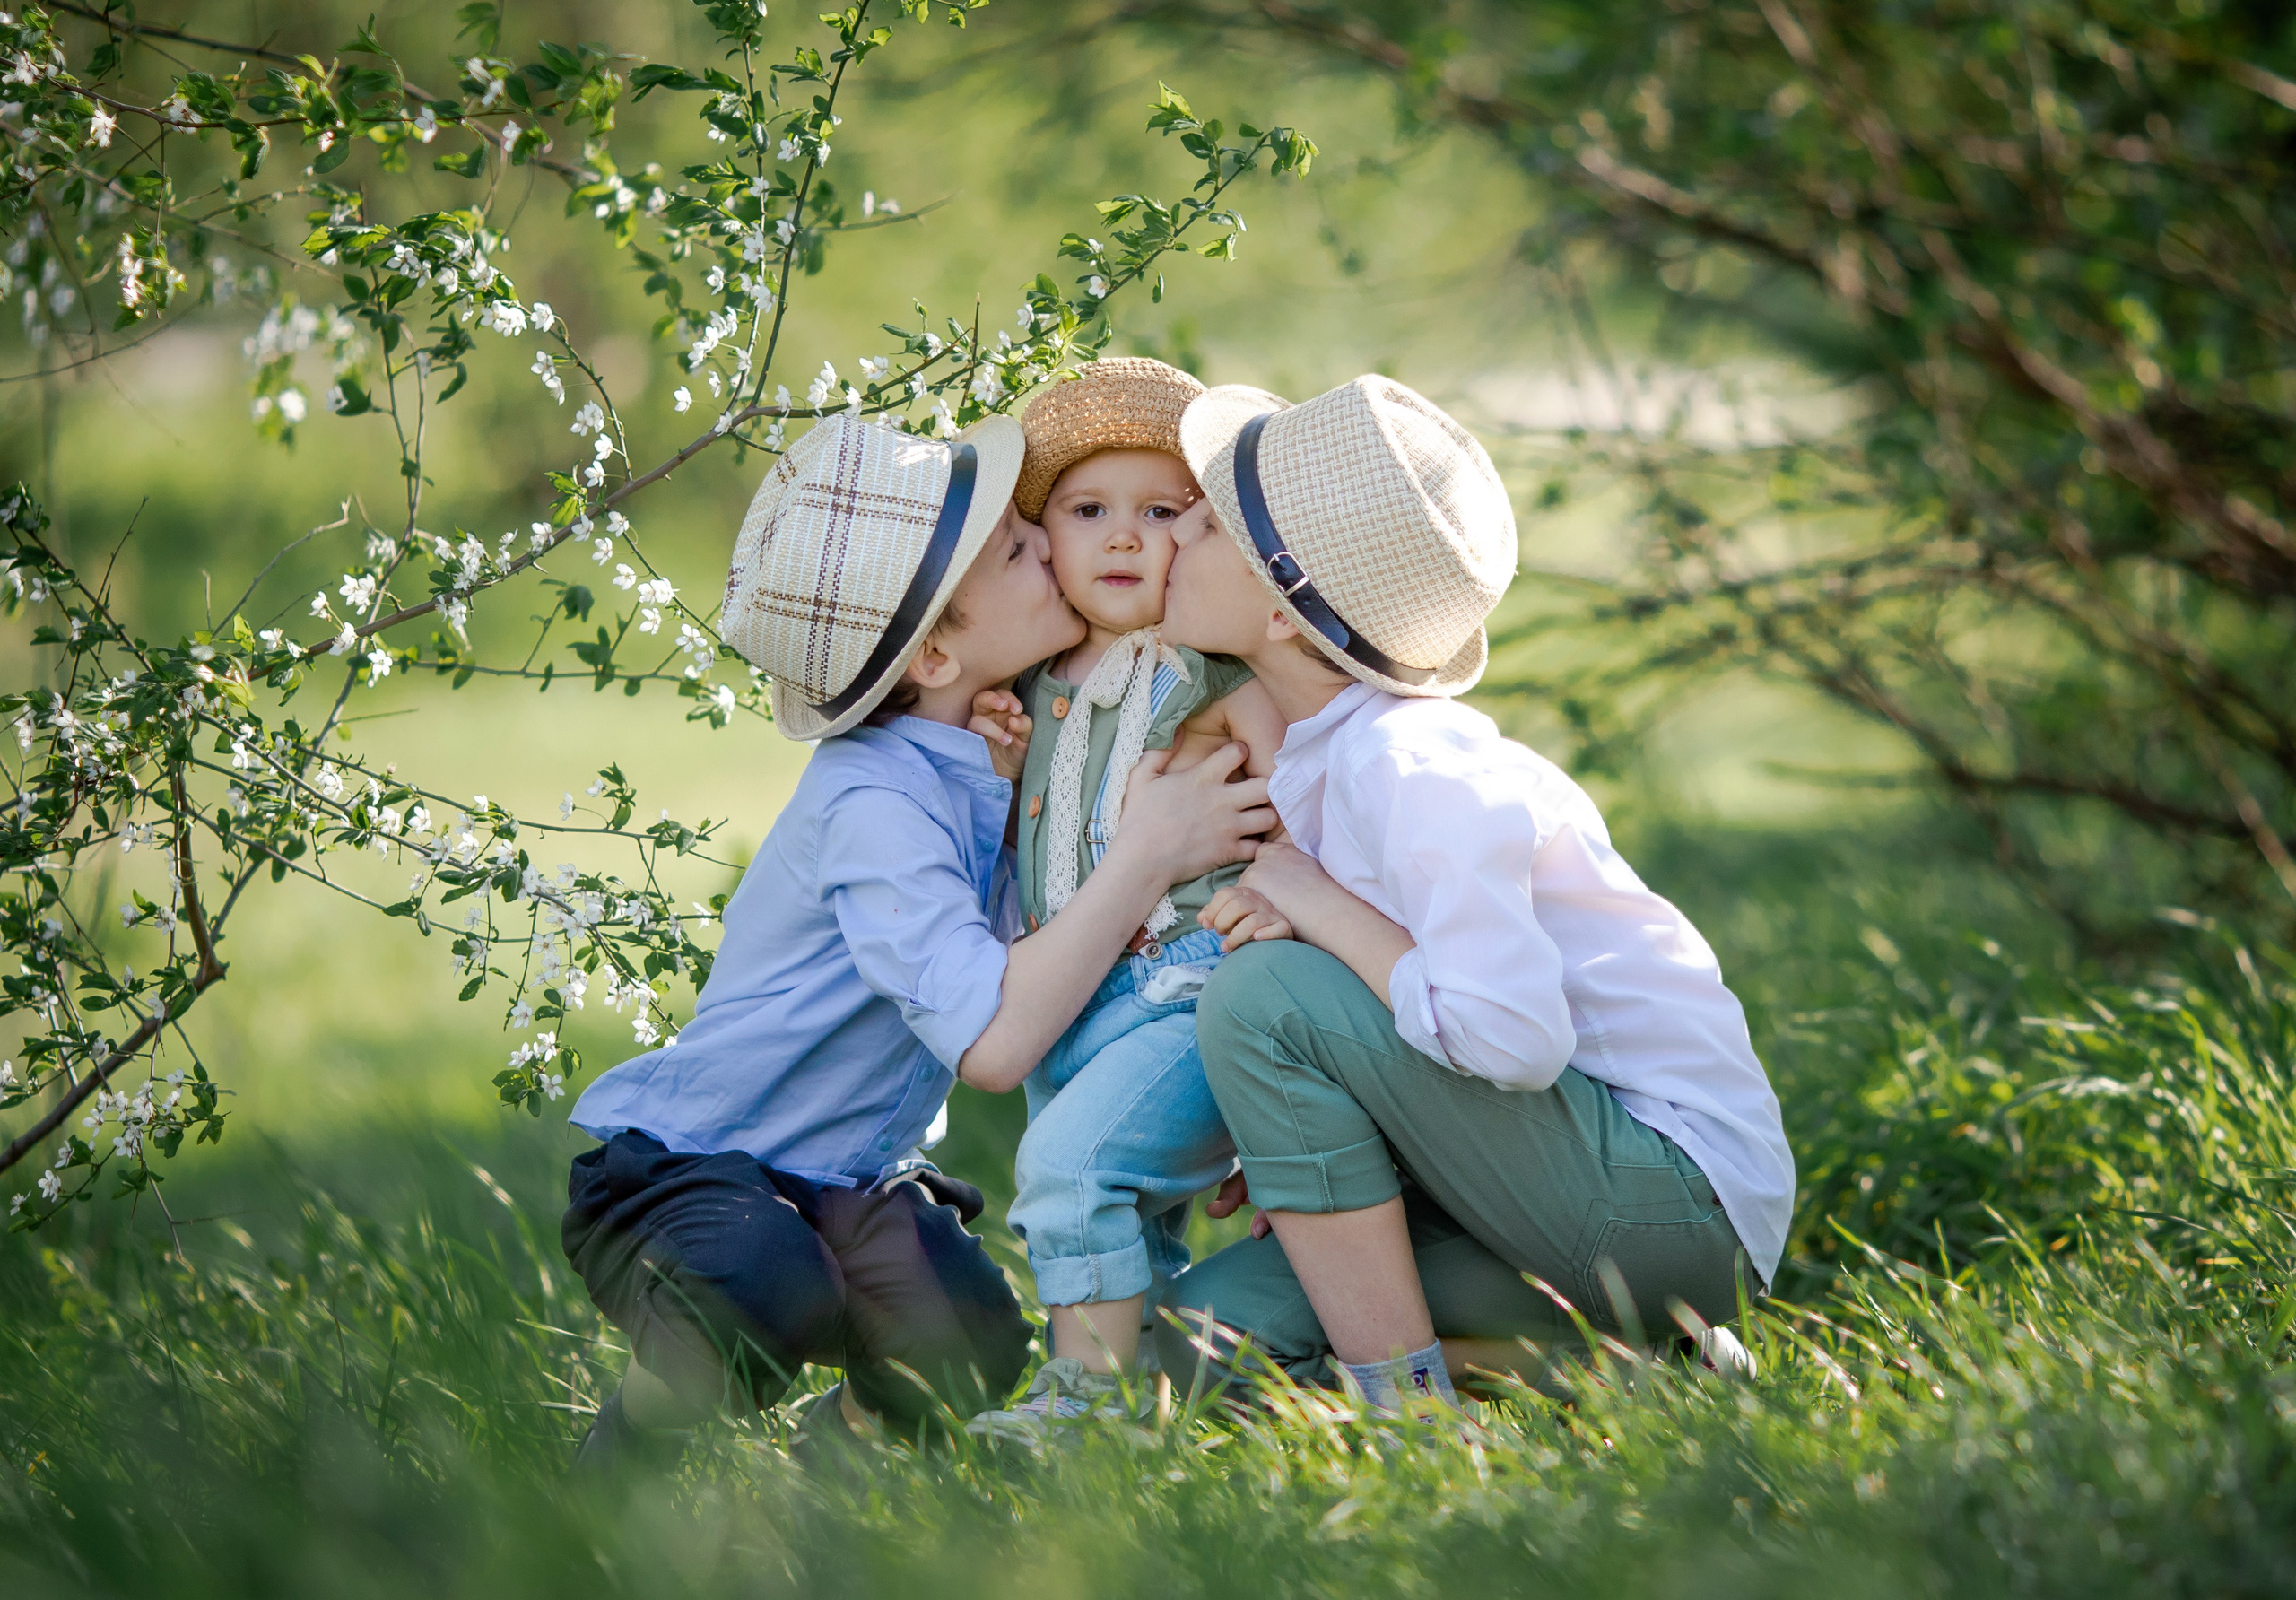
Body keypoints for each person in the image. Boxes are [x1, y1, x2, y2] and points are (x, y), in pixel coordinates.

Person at [560, 411, 1273, 1468]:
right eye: (1021, 548)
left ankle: (832, 1462)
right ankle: (634, 1441)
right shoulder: (871, 807)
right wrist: (1149, 851)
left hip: (848, 1174)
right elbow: (990, 1043)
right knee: (762, 1285)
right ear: (937, 647)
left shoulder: (980, 745)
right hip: (694, 1166)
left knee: (970, 1343)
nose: (1050, 546)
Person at [1149, 375, 1795, 1411]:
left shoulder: (1411, 765)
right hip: (1526, 1187)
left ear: (1279, 603)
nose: (1175, 525)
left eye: (1209, 518)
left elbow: (1512, 1037)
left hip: (1669, 1204)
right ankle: (1637, 1367)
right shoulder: (1327, 754)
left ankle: (1405, 1411)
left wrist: (1313, 902)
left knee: (1263, 994)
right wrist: (1306, 1144)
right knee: (1184, 1353)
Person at [961, 360, 1289, 1439]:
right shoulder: (1036, 676)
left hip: (1192, 987)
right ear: (1041, 532)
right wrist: (1001, 767)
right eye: (1086, 510)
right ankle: (1145, 1409)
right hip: (1074, 993)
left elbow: (1311, 809)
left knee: (1070, 1166)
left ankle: (1083, 1407)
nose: (1119, 538)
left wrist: (1290, 900)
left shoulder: (1213, 669)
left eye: (1159, 514)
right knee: (1119, 1212)